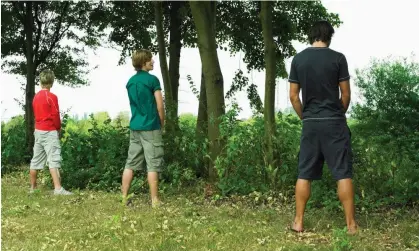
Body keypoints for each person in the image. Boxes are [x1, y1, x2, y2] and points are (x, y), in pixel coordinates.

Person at [288, 20, 357, 234]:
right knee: (342, 173)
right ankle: (351, 226)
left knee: (304, 173)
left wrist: (305, 117)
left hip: (310, 124)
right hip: (334, 122)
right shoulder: (338, 58)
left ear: (312, 36)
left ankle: (298, 222)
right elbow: (345, 95)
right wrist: (338, 114)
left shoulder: (298, 60)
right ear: (329, 36)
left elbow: (293, 96)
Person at [121, 49, 165, 208]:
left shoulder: (130, 82)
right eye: (150, 60)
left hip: (135, 126)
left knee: (130, 163)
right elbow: (160, 105)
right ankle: (154, 200)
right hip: (151, 126)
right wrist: (162, 123)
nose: (153, 62)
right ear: (143, 62)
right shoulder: (153, 80)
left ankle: (123, 198)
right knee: (153, 163)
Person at [29, 69, 72, 195]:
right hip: (49, 132)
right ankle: (58, 189)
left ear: (41, 81)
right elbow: (55, 116)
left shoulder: (35, 97)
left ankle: (32, 188)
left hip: (38, 131)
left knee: (35, 159)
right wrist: (58, 129)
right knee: (53, 159)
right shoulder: (52, 97)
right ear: (51, 81)